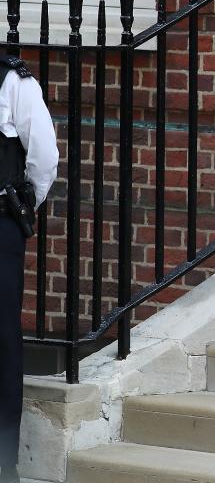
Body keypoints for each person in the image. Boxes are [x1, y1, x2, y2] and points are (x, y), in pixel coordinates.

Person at [0, 53, 58, 483]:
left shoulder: (14, 83)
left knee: (2, 339)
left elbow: (43, 157)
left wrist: (21, 208)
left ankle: (3, 461)